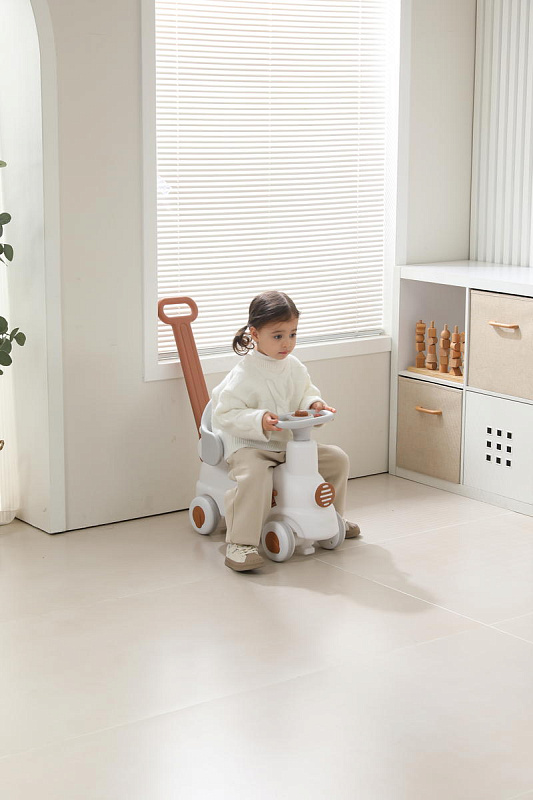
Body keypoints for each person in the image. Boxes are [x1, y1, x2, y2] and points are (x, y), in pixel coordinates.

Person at [211, 291, 360, 572]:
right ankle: (240, 543)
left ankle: (332, 518)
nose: (287, 343)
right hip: (251, 446)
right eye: (278, 336)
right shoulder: (244, 374)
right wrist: (259, 419)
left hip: (288, 445)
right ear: (255, 334)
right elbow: (225, 413)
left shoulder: (294, 367)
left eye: (293, 334)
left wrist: (314, 405)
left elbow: (305, 394)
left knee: (336, 459)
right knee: (254, 476)